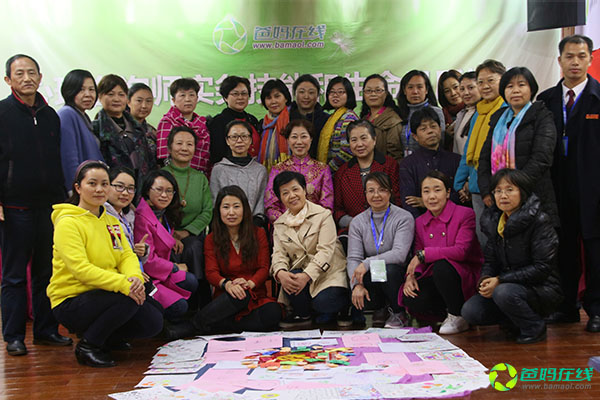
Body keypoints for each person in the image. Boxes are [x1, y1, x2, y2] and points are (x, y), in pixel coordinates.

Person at [48, 161, 162, 367]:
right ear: (78, 188)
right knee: (127, 298)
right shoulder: (68, 223)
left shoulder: (111, 220)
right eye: (92, 183)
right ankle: (88, 346)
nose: (99, 189)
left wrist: (134, 278)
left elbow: (126, 256)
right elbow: (81, 270)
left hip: (105, 293)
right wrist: (124, 284)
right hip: (72, 299)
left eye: (104, 184)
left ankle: (108, 337)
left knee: (154, 320)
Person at [0, 54, 72, 356]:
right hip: (15, 206)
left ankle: (46, 330)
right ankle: (14, 336)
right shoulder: (2, 112)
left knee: (47, 271)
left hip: (50, 206)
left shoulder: (50, 115)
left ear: (41, 78)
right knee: (14, 275)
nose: (27, 78)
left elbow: (57, 159)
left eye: (32, 72)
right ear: (8, 80)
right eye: (19, 73)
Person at [538, 34, 600, 331]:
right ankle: (565, 307)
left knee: (595, 250)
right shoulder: (545, 101)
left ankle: (597, 309)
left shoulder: (598, 98)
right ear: (559, 60)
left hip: (594, 190)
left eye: (581, 56)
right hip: (556, 188)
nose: (575, 62)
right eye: (569, 56)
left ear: (590, 59)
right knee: (562, 249)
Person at [164, 186, 282, 339]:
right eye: (226, 207)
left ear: (245, 209)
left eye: (236, 207)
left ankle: (222, 326)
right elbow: (211, 272)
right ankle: (194, 325)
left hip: (255, 294)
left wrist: (249, 283)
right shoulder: (211, 239)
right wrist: (227, 284)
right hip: (228, 297)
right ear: (219, 211)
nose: (231, 212)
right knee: (239, 296)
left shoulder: (258, 233)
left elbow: (264, 268)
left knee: (273, 311)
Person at [461, 169, 562, 344]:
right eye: (498, 191)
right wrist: (485, 279)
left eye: (510, 190)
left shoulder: (540, 221)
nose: (503, 196)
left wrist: (500, 280)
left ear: (523, 192)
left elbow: (542, 268)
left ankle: (534, 327)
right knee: (471, 311)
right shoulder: (495, 221)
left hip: (542, 289)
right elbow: (490, 260)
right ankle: (513, 321)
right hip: (509, 286)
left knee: (503, 292)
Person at [401, 171, 482, 334]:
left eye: (437, 190)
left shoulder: (465, 214)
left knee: (442, 267)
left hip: (462, 274)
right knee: (411, 295)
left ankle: (457, 315)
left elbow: (461, 251)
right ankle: (442, 314)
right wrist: (412, 276)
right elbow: (418, 254)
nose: (432, 196)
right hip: (436, 276)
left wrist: (425, 255)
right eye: (426, 191)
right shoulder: (420, 221)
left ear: (448, 193)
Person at [478, 67, 558, 227]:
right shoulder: (498, 119)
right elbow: (484, 158)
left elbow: (541, 158)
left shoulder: (542, 116)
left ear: (531, 89)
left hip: (533, 196)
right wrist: (487, 191)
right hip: (499, 199)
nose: (515, 90)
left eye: (521, 85)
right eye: (509, 86)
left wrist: (515, 189)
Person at [271, 171, 349, 327]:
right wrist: (280, 273)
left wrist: (307, 276)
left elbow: (326, 251)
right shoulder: (280, 224)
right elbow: (279, 254)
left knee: (324, 302)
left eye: (295, 189)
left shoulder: (323, 215)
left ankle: (340, 308)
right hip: (300, 275)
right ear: (280, 198)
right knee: (290, 279)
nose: (292, 196)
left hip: (328, 273)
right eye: (285, 193)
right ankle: (304, 314)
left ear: (304, 190)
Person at [346, 172, 414, 328]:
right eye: (371, 191)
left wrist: (367, 263)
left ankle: (399, 312)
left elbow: (399, 254)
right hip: (371, 275)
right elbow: (354, 258)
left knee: (387, 269)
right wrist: (356, 285)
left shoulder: (403, 217)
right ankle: (380, 309)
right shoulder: (357, 222)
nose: (376, 195)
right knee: (356, 275)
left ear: (390, 192)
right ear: (365, 194)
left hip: (396, 273)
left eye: (382, 190)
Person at [454, 59, 507, 246]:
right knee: (484, 239)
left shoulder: (507, 109)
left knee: (502, 239)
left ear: (503, 80)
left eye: (490, 81)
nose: (485, 86)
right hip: (476, 187)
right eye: (481, 82)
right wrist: (460, 183)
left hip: (499, 186)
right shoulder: (479, 111)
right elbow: (469, 149)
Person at [134, 170, 198, 322]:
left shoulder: (163, 212)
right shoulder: (142, 217)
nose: (164, 195)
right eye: (159, 190)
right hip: (149, 275)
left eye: (169, 191)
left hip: (161, 269)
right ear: (147, 190)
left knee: (191, 281)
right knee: (180, 306)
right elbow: (148, 261)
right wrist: (174, 267)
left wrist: (173, 239)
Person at [162, 126, 213, 307]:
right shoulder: (161, 176)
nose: (184, 148)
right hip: (164, 234)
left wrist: (186, 232)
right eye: (179, 143)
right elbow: (154, 211)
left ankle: (198, 303)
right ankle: (174, 303)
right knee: (171, 250)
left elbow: (207, 211)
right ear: (169, 148)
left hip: (192, 235)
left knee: (194, 247)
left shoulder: (200, 178)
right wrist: (171, 235)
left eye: (189, 144)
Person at [334, 120, 401, 230]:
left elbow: (398, 201)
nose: (359, 144)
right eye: (354, 140)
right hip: (354, 230)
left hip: (388, 227)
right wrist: (354, 223)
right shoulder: (342, 173)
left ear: (374, 140)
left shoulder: (390, 166)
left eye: (364, 138)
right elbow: (338, 210)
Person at [264, 119, 333, 223]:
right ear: (287, 140)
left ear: (311, 139)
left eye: (304, 136)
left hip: (315, 227)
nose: (299, 142)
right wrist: (289, 223)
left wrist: (309, 225)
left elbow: (327, 206)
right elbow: (271, 206)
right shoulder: (277, 169)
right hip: (285, 227)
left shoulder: (322, 169)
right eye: (294, 137)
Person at [398, 107, 461, 219]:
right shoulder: (407, 164)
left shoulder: (456, 160)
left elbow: (461, 196)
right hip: (422, 223)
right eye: (423, 129)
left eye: (433, 126)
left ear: (440, 129)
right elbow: (409, 203)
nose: (430, 131)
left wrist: (426, 202)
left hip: (455, 220)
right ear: (415, 136)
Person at [92, 74, 156, 183]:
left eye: (121, 94)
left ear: (126, 98)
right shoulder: (95, 129)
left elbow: (149, 163)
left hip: (140, 188)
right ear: (100, 97)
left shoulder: (137, 128)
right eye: (110, 94)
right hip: (111, 187)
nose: (116, 99)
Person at [58, 69, 103, 191]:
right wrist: (74, 190)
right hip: (79, 190)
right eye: (81, 90)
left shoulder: (82, 116)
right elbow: (69, 158)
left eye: (91, 89)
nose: (88, 94)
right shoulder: (67, 114)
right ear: (69, 91)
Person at [211, 121, 267, 216]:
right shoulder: (218, 170)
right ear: (227, 141)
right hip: (226, 220)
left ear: (251, 140)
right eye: (234, 137)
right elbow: (215, 201)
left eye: (244, 136)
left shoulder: (260, 170)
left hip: (254, 222)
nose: (239, 141)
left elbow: (261, 201)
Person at [156, 78, 210, 174]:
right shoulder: (168, 122)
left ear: (197, 98)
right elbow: (164, 158)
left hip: (201, 176)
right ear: (173, 100)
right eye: (182, 95)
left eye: (191, 95)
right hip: (174, 175)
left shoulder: (202, 124)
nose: (188, 99)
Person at [207, 75, 261, 164]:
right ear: (225, 97)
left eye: (244, 93)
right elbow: (216, 154)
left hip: (254, 167)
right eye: (235, 94)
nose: (240, 97)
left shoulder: (252, 120)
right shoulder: (218, 122)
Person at [105, 166, 149, 267]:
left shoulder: (129, 216)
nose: (125, 193)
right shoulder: (100, 216)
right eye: (119, 186)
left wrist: (141, 251)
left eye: (130, 189)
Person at [397, 70, 445, 155]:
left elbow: (441, 141)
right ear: (404, 90)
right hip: (405, 160)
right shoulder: (399, 113)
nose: (415, 91)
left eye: (419, 87)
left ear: (426, 90)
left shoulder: (436, 111)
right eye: (410, 87)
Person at [318, 76, 359, 172]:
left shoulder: (348, 117)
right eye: (332, 92)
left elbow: (348, 151)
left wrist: (327, 170)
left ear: (349, 94)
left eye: (340, 92)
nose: (335, 95)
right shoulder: (333, 117)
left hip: (343, 173)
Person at [359, 74, 404, 161]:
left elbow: (395, 156)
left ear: (386, 94)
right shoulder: (364, 119)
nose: (373, 94)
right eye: (368, 91)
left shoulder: (392, 120)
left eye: (378, 90)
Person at [289, 74, 330, 157]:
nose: (306, 96)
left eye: (311, 92)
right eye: (301, 92)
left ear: (317, 95)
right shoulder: (286, 117)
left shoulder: (327, 120)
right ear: (294, 94)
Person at [258, 79, 292, 172]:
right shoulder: (262, 124)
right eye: (269, 98)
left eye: (277, 96)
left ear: (286, 98)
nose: (273, 101)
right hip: (267, 174)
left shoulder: (294, 119)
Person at [453, 72, 481, 156]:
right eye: (462, 89)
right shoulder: (461, 114)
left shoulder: (485, 114)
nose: (466, 93)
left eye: (471, 88)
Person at [128, 83, 157, 156]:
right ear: (128, 102)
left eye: (148, 101)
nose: (144, 106)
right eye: (139, 100)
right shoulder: (121, 128)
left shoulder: (152, 132)